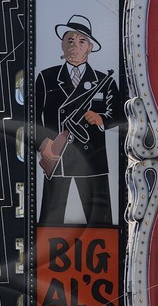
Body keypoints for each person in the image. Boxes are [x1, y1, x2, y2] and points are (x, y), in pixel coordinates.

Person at [34, 13, 123, 227]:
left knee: (100, 226)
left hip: (93, 160)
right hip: (57, 159)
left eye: (82, 41)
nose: (75, 45)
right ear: (62, 45)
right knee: (50, 225)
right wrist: (43, 144)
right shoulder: (46, 78)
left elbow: (120, 114)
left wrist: (100, 119)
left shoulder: (104, 81)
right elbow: (32, 117)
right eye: (70, 40)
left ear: (90, 47)